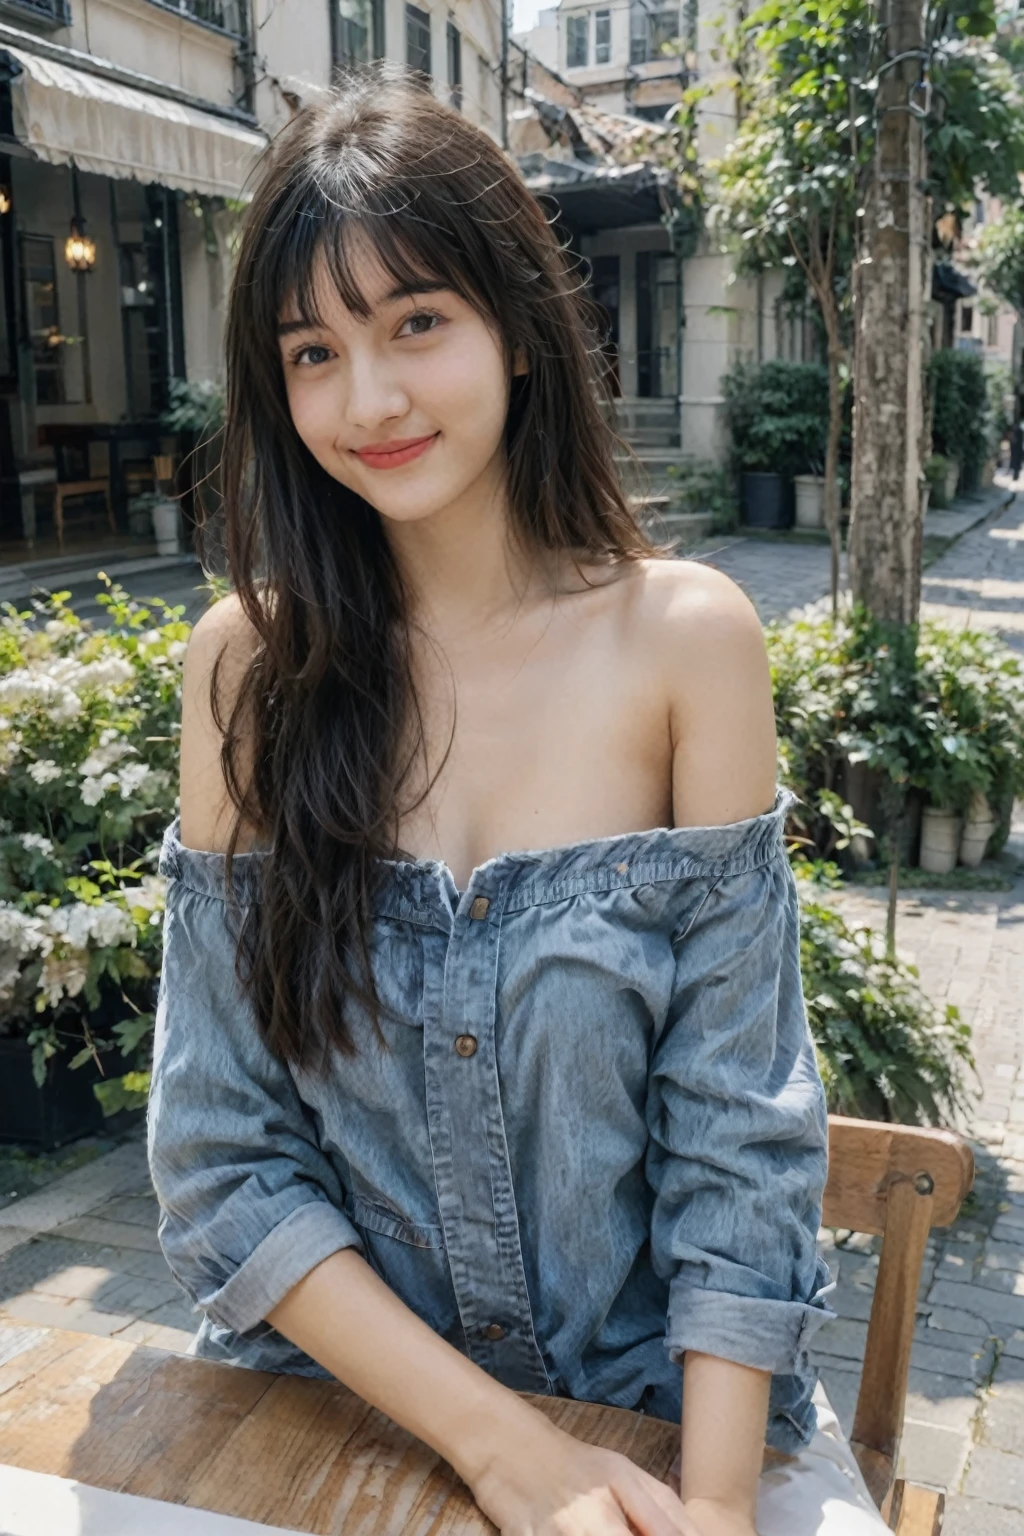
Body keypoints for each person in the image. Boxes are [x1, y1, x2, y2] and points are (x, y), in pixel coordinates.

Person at [147, 69, 889, 1536]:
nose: (368, 400)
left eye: (416, 323)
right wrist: (503, 1454)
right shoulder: (250, 670)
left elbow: (738, 1134)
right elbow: (222, 1152)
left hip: (657, 1415)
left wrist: (719, 1507)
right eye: (312, 350)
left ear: (520, 330)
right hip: (328, 1417)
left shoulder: (685, 642)